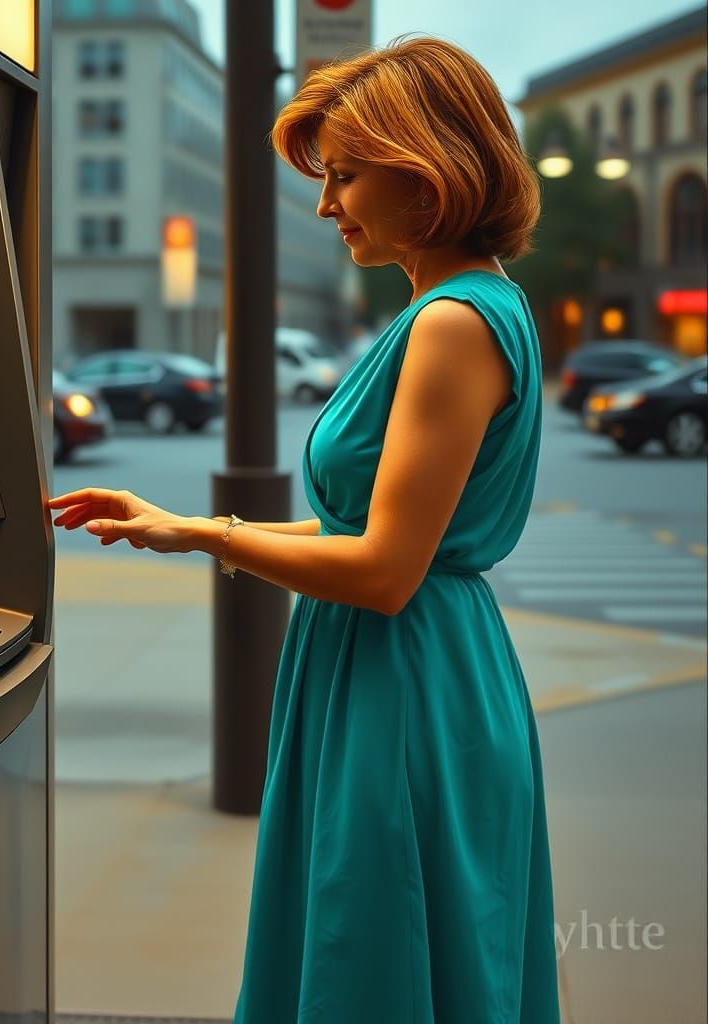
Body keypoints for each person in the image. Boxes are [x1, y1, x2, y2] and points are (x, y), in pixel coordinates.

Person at [47, 32, 561, 1024]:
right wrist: (191, 522)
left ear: (428, 172)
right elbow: (361, 524)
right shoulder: (473, 306)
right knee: (400, 956)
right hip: (413, 669)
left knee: (368, 959)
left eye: (345, 176)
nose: (326, 206)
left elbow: (380, 569)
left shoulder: (450, 322)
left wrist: (209, 540)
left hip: (400, 679)